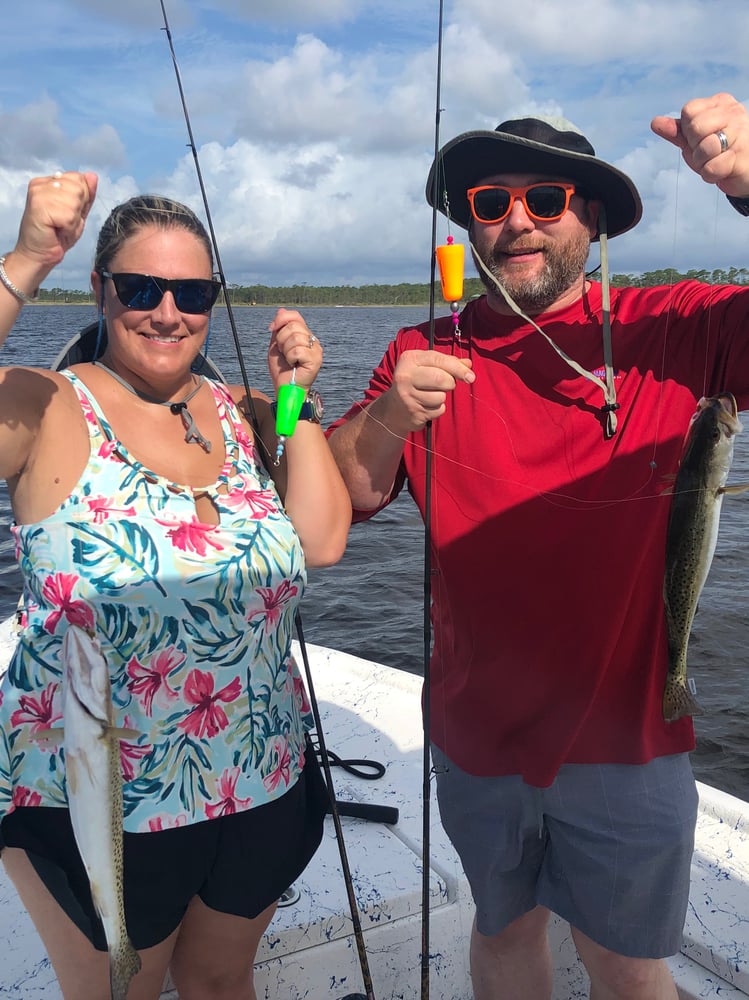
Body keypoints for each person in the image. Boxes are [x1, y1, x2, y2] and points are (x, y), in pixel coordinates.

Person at [327, 92, 749, 1000]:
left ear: (589, 218)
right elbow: (350, 496)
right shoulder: (419, 350)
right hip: (477, 738)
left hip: (627, 740)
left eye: (545, 199)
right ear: (467, 228)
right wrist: (392, 413)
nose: (515, 220)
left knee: (628, 965)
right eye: (489, 202)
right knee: (502, 929)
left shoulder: (678, 330)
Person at [0, 171, 351, 999]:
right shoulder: (46, 405)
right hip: (99, 798)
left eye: (192, 291)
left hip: (260, 776)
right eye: (141, 287)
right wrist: (24, 261)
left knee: (224, 982)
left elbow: (323, 538)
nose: (168, 311)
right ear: (99, 288)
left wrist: (294, 395)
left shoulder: (242, 411)